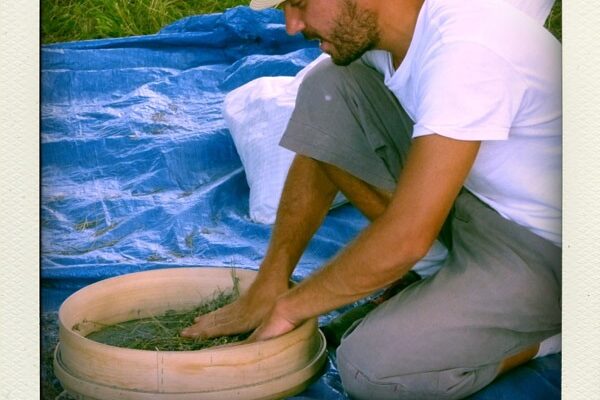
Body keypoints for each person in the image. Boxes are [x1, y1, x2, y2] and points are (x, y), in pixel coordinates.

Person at [182, 0, 562, 398]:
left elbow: (407, 236)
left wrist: (290, 308)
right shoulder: (394, 31)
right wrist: (271, 283)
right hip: (473, 199)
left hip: (546, 249)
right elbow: (324, 131)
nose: (292, 26)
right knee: (327, 89)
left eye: (299, 4)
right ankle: (437, 274)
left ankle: (560, 329)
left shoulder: (466, 49)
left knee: (372, 370)